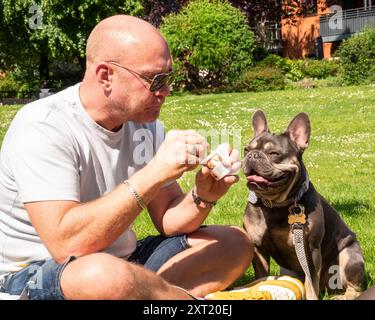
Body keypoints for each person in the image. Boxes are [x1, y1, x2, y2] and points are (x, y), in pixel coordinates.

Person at [0, 15, 253, 300]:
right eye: (155, 79)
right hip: (38, 274)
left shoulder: (143, 125)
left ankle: (144, 292)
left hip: (123, 262)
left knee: (234, 243)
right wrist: (155, 171)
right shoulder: (43, 126)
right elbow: (66, 244)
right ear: (105, 75)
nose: (166, 91)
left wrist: (203, 196)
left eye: (168, 78)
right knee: (102, 276)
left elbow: (168, 217)